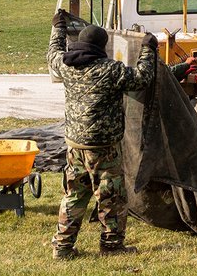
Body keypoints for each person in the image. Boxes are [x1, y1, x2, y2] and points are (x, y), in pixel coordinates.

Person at [48, 14, 157, 260]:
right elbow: (143, 79)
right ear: (101, 47)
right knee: (112, 198)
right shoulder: (110, 70)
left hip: (74, 146)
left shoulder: (66, 65)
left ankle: (62, 247)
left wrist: (58, 28)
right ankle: (111, 246)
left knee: (74, 196)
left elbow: (52, 52)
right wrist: (148, 49)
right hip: (103, 148)